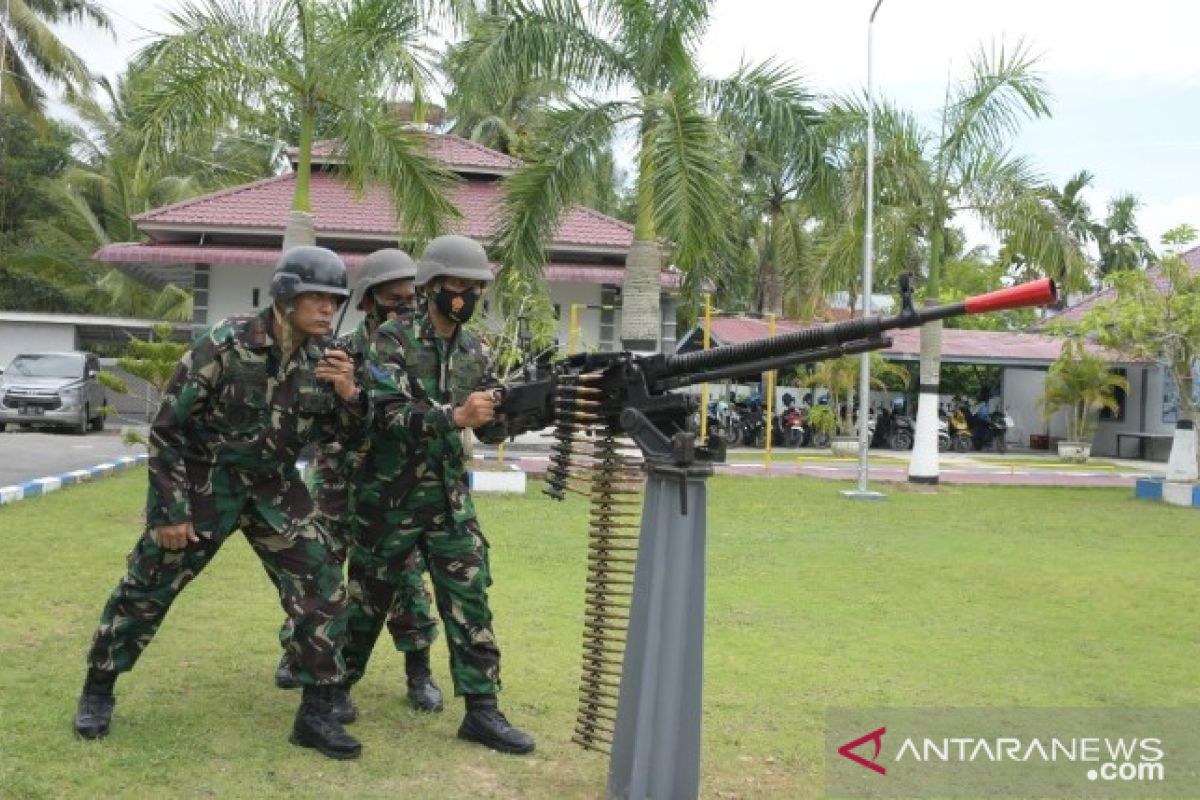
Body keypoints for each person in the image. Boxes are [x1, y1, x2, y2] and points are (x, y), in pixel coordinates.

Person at [72, 246, 367, 760]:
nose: (326, 308)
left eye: (333, 300)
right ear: (285, 295)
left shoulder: (331, 359)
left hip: (275, 489)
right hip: (206, 484)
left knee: (324, 588)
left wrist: (349, 395)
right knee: (146, 588)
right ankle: (98, 688)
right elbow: (167, 429)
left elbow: (344, 438)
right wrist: (170, 512)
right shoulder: (226, 343)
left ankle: (316, 713)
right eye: (315, 297)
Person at [343, 234, 535, 755]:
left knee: (469, 599)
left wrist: (521, 413)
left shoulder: (478, 350)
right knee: (365, 604)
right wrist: (455, 415)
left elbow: (490, 427)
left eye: (476, 287)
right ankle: (328, 696)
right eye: (458, 285)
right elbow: (386, 414)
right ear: (430, 287)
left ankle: (481, 710)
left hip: (449, 503)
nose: (467, 295)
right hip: (389, 500)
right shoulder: (392, 339)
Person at [273, 248, 444, 714]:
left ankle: (419, 672)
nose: (406, 307)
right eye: (394, 299)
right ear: (368, 302)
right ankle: (301, 653)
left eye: (413, 298)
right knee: (319, 574)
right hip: (339, 482)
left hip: (396, 490)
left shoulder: (422, 353)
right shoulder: (337, 351)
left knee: (405, 581)